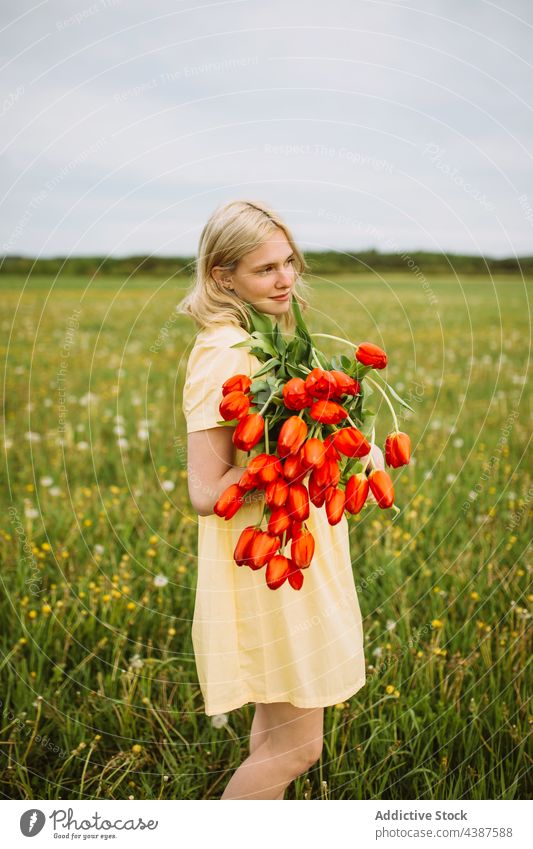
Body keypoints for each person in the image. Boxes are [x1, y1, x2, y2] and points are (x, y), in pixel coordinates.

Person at [177, 199, 384, 800]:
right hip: (269, 558)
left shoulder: (265, 340)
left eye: (289, 262)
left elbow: (300, 437)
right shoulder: (225, 352)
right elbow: (203, 491)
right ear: (223, 277)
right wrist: (281, 467)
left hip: (291, 551)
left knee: (275, 738)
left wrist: (348, 447)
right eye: (266, 269)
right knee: (300, 748)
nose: (286, 279)